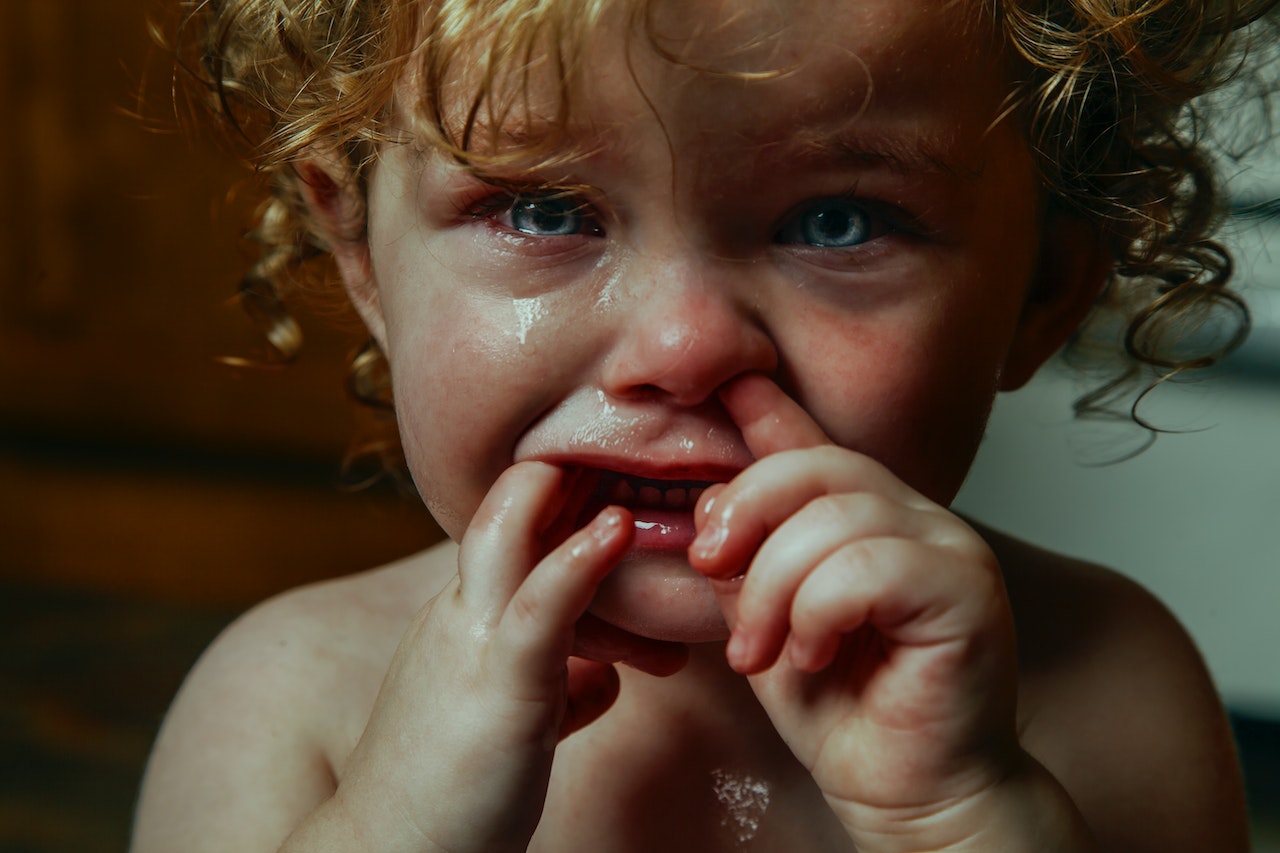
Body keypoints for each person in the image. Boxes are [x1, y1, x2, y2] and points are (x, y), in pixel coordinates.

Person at [131, 0, 1277, 850]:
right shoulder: (291, 699)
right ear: (360, 256)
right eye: (542, 207)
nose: (682, 348)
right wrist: (398, 824)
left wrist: (965, 815)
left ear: (1042, 292)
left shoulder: (1106, 689)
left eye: (837, 222)